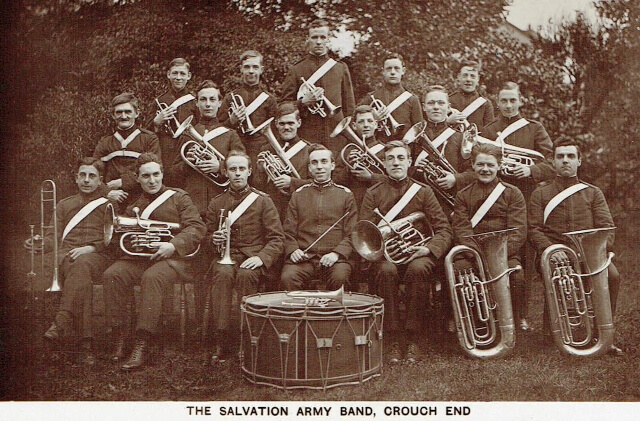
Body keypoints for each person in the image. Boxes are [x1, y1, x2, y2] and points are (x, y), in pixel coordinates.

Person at [103, 153, 206, 371]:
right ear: (138, 179)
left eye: (156, 174)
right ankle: (120, 335)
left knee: (152, 277)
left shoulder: (180, 197)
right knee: (113, 274)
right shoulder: (135, 204)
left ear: (162, 174)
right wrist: (136, 244)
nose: (152, 180)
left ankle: (142, 342)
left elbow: (196, 228)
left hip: (176, 260)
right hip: (143, 259)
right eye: (146, 176)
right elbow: (127, 238)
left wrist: (173, 245)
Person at [360, 140, 452, 364]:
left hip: (417, 254)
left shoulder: (423, 192)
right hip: (386, 256)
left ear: (409, 162)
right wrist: (380, 251)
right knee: (386, 271)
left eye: (401, 158)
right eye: (390, 158)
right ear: (383, 163)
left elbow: (443, 229)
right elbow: (363, 231)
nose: (396, 162)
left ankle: (414, 337)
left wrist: (428, 248)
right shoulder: (373, 193)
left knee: (419, 270)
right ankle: (391, 338)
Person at [528, 136, 622, 355]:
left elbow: (607, 227)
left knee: (613, 276)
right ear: (552, 161)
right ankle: (554, 333)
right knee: (557, 274)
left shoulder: (592, 192)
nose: (565, 161)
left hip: (589, 256)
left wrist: (598, 252)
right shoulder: (540, 194)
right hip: (555, 255)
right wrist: (551, 250)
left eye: (571, 156)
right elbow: (533, 229)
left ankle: (602, 332)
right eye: (560, 156)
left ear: (580, 161)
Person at [172, 80, 245, 330]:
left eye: (212, 99)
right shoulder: (185, 134)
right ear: (197, 103)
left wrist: (220, 167)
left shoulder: (230, 134)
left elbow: (244, 166)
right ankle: (198, 323)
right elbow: (171, 172)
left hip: (220, 208)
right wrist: (189, 162)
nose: (208, 104)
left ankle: (217, 324)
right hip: (192, 208)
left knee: (218, 268)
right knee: (199, 267)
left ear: (219, 102)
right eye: (203, 99)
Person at [25, 158, 112, 365]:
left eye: (92, 176)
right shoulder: (64, 204)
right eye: (82, 175)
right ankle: (86, 346)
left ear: (100, 181)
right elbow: (52, 237)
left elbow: (114, 239)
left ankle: (61, 321)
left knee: (81, 266)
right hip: (68, 257)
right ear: (76, 178)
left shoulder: (109, 204)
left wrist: (91, 248)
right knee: (79, 271)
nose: (86, 180)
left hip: (98, 256)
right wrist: (38, 244)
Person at [483, 81, 555, 330]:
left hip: (525, 198)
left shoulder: (534, 129)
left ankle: (521, 314)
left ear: (520, 100)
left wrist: (530, 169)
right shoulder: (489, 130)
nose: (508, 105)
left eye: (512, 100)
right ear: (497, 101)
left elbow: (551, 163)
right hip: (493, 198)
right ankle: (495, 312)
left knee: (523, 255)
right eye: (503, 100)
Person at [205, 150, 284, 363]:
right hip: (226, 257)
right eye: (232, 169)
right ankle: (221, 338)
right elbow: (206, 236)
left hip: (254, 256)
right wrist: (214, 239)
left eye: (242, 169)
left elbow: (277, 239)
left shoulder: (263, 201)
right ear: (225, 172)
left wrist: (262, 258)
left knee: (246, 276)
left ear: (249, 171)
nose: (237, 174)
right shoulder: (217, 202)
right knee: (222, 274)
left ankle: (247, 337)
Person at [451, 144, 527, 329]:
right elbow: (462, 230)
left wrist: (498, 257)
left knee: (516, 276)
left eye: (491, 165)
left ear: (499, 166)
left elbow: (518, 231)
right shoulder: (462, 195)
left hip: (506, 253)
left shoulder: (512, 193)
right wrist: (479, 257)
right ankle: (475, 324)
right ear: (473, 166)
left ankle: (513, 322)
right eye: (481, 164)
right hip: (472, 254)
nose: (485, 169)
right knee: (460, 270)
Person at [281, 144, 358, 292]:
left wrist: (336, 253)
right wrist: (293, 250)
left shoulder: (346, 195)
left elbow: (352, 233)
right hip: (304, 259)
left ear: (332, 165)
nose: (319, 167)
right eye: (314, 163)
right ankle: (298, 314)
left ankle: (334, 315)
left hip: (335, 259)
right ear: (309, 168)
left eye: (324, 161)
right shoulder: (298, 195)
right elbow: (288, 231)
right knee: (288, 277)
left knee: (340, 277)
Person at [280, 18, 355, 153]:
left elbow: (349, 107)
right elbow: (284, 106)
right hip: (308, 134)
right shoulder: (296, 70)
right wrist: (302, 102)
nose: (319, 41)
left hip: (337, 135)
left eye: (322, 37)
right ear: (308, 39)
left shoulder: (340, 68)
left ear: (328, 39)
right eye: (314, 37)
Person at [412, 86, 476, 212]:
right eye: (431, 103)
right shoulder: (413, 136)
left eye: (441, 103)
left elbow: (473, 172)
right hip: (418, 203)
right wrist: (415, 169)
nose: (436, 107)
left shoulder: (461, 137)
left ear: (448, 107)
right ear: (424, 107)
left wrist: (455, 179)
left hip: (449, 205)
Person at [94, 92, 161, 209]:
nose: (123, 116)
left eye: (128, 112)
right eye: (119, 112)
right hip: (112, 198)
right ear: (113, 115)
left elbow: (156, 169)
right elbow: (93, 171)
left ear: (137, 113)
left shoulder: (149, 138)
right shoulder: (105, 142)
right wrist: (107, 192)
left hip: (142, 198)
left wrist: (123, 182)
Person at [217, 50, 278, 177]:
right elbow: (218, 129)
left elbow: (276, 130)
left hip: (260, 150)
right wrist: (231, 121)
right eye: (247, 67)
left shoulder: (269, 99)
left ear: (261, 70)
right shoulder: (230, 97)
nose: (251, 71)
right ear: (241, 69)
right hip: (235, 151)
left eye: (255, 67)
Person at [254, 101, 312, 220]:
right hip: (272, 210)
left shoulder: (309, 149)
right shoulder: (266, 149)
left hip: (300, 209)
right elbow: (257, 186)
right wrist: (260, 171)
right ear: (276, 124)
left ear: (299, 123)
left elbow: (316, 183)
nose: (286, 127)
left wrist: (292, 182)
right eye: (282, 124)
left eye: (291, 123)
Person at [149, 58, 197, 178]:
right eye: (175, 73)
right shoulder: (159, 101)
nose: (178, 77)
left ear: (189, 76)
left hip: (188, 148)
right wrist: (156, 122)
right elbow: (146, 133)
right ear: (168, 74)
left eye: (182, 74)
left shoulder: (195, 101)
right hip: (165, 151)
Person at [359, 53, 423, 141]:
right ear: (383, 71)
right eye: (389, 68)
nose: (392, 72)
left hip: (404, 149)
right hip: (378, 149)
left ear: (403, 71)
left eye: (396, 68)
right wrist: (372, 119)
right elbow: (357, 124)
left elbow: (418, 131)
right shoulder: (371, 98)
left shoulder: (412, 99)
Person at [338, 105, 388, 206]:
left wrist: (371, 177)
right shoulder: (347, 151)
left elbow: (396, 180)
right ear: (354, 126)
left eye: (370, 121)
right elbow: (336, 182)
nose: (366, 125)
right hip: (356, 203)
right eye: (361, 122)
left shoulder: (386, 150)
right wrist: (348, 168)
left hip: (382, 202)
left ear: (376, 124)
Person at [447, 60, 495, 132]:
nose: (468, 79)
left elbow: (489, 132)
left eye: (472, 76)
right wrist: (447, 121)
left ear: (478, 79)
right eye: (465, 75)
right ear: (459, 77)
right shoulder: (448, 100)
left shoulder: (485, 104)